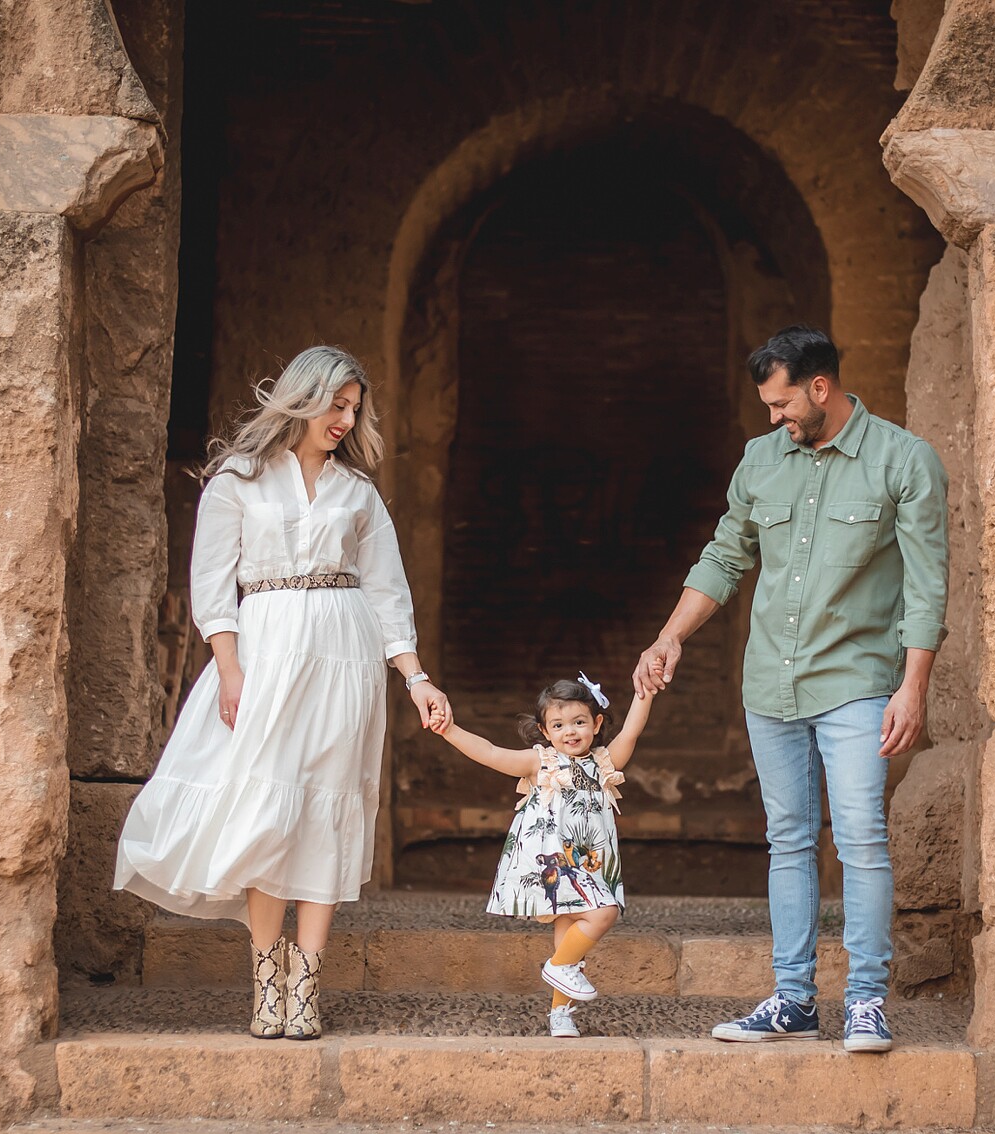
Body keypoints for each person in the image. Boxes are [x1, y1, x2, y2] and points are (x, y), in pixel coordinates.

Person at [113, 345, 451, 1041]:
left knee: (325, 810)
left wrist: (414, 677)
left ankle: (307, 982)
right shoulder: (236, 480)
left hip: (344, 655)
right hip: (266, 653)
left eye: (354, 408)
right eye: (337, 403)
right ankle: (265, 975)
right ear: (304, 396)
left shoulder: (356, 492)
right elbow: (213, 586)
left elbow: (388, 591)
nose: (345, 418)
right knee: (271, 810)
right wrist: (231, 669)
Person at [633, 325, 948, 1054]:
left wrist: (913, 688)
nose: (773, 419)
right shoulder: (760, 461)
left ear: (820, 387)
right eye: (766, 408)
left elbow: (929, 586)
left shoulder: (904, 460)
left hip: (859, 683)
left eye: (781, 405)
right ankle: (793, 999)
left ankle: (866, 1000)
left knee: (862, 839)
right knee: (788, 840)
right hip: (770, 681)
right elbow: (725, 554)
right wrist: (670, 634)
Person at [428, 674, 653, 1036]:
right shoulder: (540, 763)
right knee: (604, 912)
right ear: (545, 732)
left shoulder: (604, 764)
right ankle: (557, 967)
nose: (570, 731)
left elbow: (632, 730)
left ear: (596, 724)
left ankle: (560, 1013)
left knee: (569, 937)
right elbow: (489, 753)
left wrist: (647, 692)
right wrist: (449, 730)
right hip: (553, 861)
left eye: (580, 722)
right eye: (559, 725)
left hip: (589, 862)